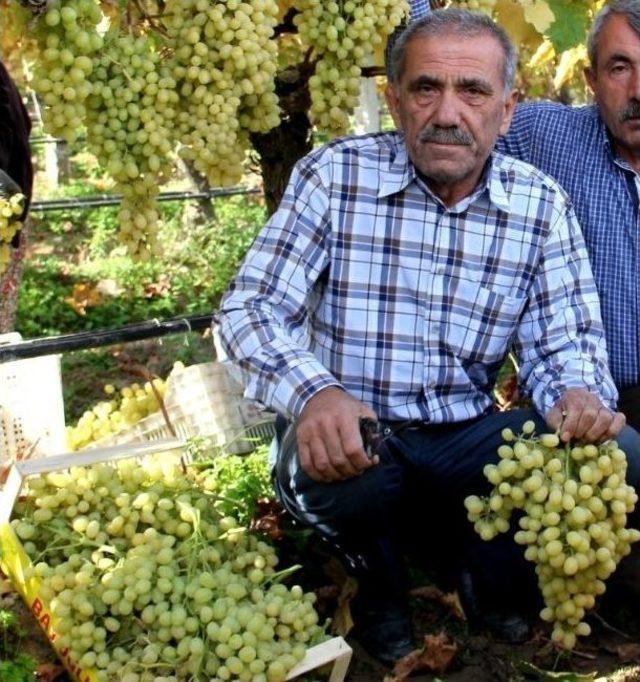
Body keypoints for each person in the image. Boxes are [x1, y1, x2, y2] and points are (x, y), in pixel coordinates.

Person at [216, 9, 640, 666]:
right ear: (394, 100)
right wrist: (314, 392)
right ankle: (378, 581)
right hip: (354, 429)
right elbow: (249, 311)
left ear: (507, 108)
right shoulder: (334, 178)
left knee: (620, 455)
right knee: (351, 478)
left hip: (459, 434)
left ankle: (485, 566)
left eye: (472, 91)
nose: (448, 112)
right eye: (425, 89)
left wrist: (575, 394)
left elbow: (566, 340)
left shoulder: (538, 205)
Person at [497, 0, 640, 431]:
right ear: (590, 80)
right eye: (620, 67)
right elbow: (454, 113)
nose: (638, 90)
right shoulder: (547, 137)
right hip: (590, 408)